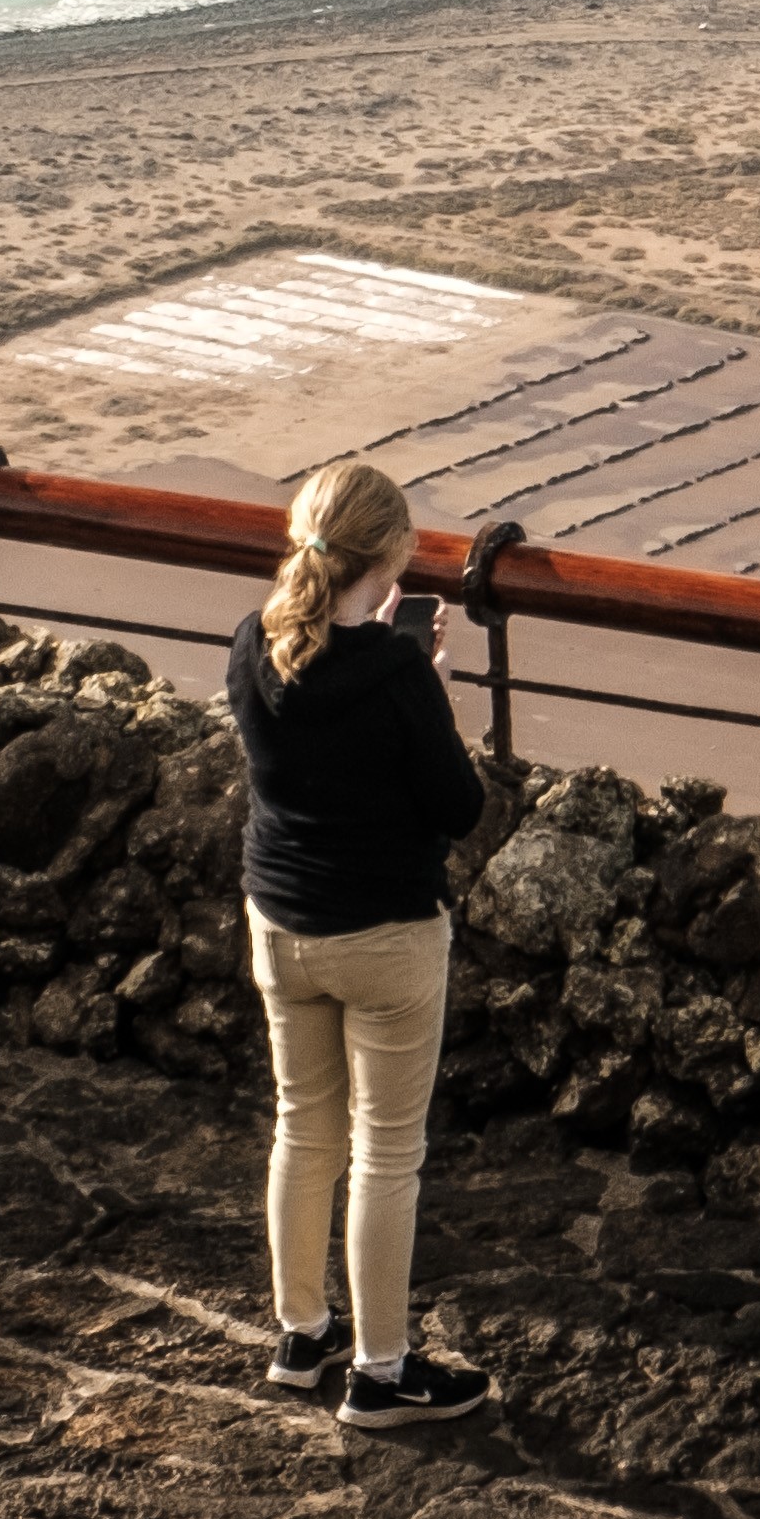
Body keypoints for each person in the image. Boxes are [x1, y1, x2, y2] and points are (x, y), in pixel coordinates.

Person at [230, 455, 497, 1431]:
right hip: (384, 934)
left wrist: (386, 667)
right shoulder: (394, 675)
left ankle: (302, 1336)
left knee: (303, 1125)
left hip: (281, 924)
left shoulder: (254, 644)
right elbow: (458, 804)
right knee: (386, 1153)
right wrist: (433, 689)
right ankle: (380, 1373)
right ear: (391, 558)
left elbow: (304, 740)